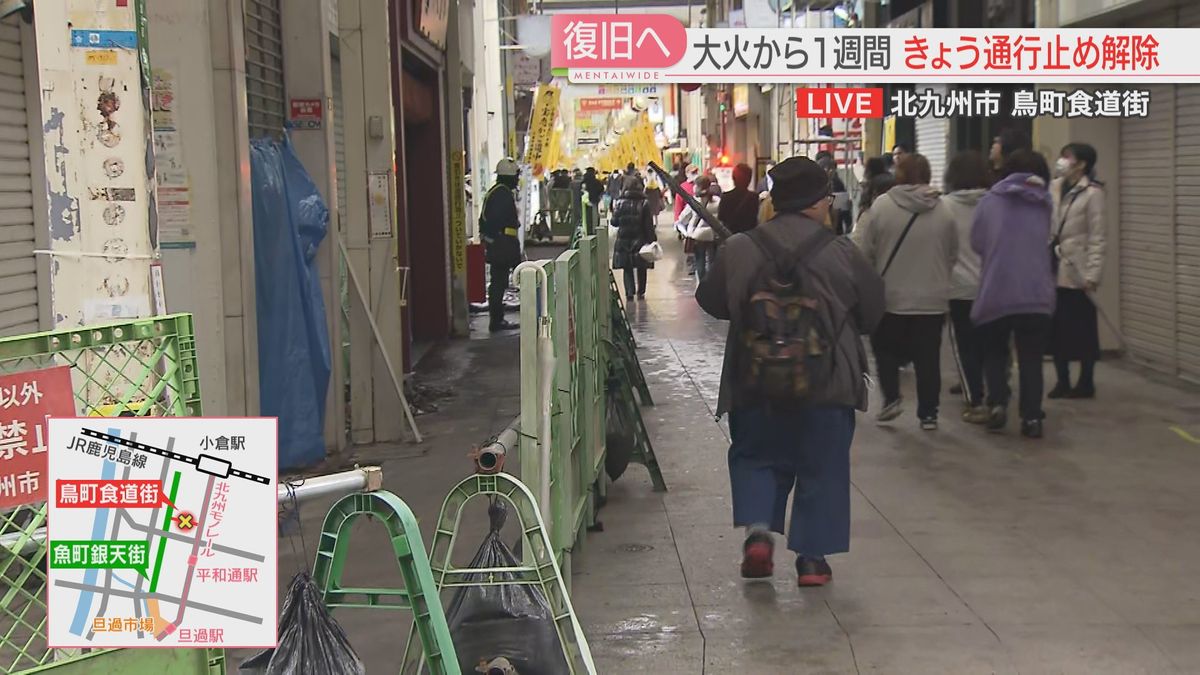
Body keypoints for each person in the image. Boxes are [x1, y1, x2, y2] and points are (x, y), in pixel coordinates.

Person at [695, 156, 885, 588]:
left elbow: (711, 301)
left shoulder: (740, 248)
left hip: (754, 378)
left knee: (757, 456)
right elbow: (873, 310)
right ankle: (813, 561)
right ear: (819, 203)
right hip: (827, 383)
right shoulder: (841, 252)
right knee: (823, 465)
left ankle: (759, 533)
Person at [851, 153, 958, 430]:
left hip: (891, 295)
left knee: (884, 348)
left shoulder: (882, 206)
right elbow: (952, 253)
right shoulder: (944, 209)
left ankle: (891, 399)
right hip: (932, 298)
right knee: (928, 357)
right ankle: (929, 413)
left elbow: (866, 251)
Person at [970, 150, 1057, 438]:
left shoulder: (990, 201)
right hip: (1035, 291)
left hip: (998, 287)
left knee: (994, 352)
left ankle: (997, 404)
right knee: (1031, 358)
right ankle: (1032, 418)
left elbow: (977, 242)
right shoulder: (1044, 202)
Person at [1049, 143, 1106, 399]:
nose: (1061, 161)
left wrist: (1093, 274)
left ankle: (1086, 382)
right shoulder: (1053, 187)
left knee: (1083, 329)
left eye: (1067, 157)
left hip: (1078, 270)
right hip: (1053, 265)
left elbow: (1098, 237)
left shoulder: (1093, 193)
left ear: (1081, 164)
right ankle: (1062, 381)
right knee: (1057, 329)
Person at [941, 151, 994, 423]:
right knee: (991, 344)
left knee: (965, 346)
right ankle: (995, 395)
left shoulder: (944, 207)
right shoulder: (995, 203)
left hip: (959, 287)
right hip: (992, 284)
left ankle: (974, 399)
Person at [480, 158, 523, 332]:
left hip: (504, 243)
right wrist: (495, 241)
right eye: (516, 176)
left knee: (501, 281)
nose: (517, 180)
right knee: (500, 282)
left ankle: (498, 319)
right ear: (509, 176)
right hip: (503, 244)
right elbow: (495, 222)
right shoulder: (501, 194)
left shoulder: (499, 192)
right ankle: (496, 321)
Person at [611, 176, 657, 300]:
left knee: (627, 267)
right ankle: (641, 292)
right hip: (640, 239)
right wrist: (652, 239)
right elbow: (648, 225)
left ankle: (629, 293)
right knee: (642, 265)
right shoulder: (644, 203)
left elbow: (614, 222)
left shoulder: (620, 203)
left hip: (624, 239)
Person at [679, 176, 719, 281]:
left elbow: (682, 218)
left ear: (699, 187)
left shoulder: (694, 201)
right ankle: (712, 284)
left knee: (699, 262)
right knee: (712, 262)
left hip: (697, 236)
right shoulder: (717, 200)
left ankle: (702, 285)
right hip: (712, 235)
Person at [718, 163, 759, 235]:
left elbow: (721, 218)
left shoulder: (726, 197)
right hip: (749, 237)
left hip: (730, 237)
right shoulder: (754, 197)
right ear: (749, 179)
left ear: (733, 178)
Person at [817, 157, 850, 234]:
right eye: (827, 168)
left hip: (836, 225)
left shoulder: (837, 183)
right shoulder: (816, 186)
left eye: (833, 168)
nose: (831, 171)